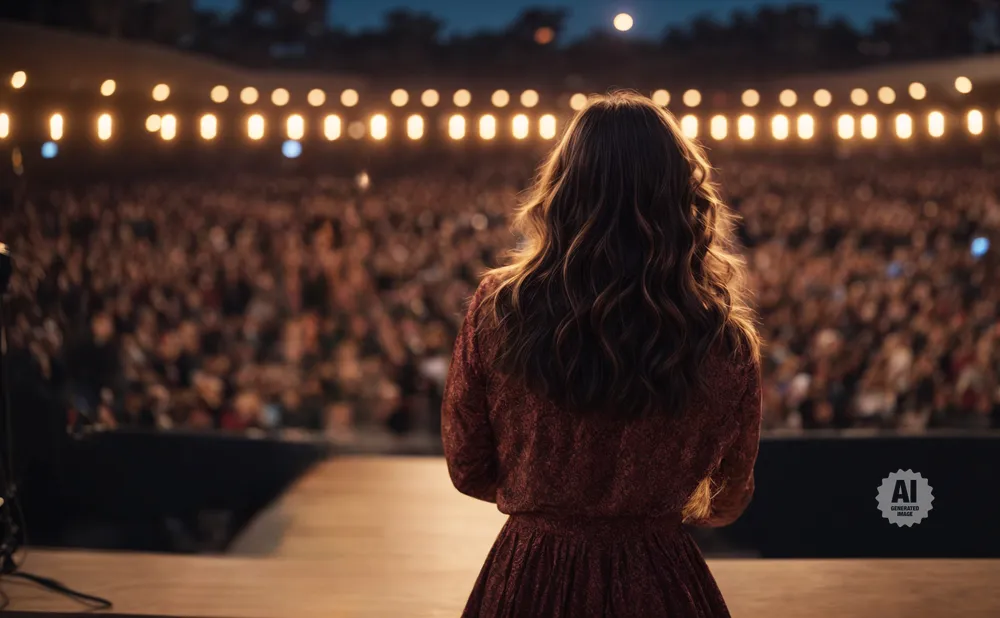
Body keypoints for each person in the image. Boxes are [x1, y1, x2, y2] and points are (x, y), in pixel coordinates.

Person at [442, 91, 762, 617]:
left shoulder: (498, 308)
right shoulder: (723, 341)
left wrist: (547, 499)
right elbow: (729, 498)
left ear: (563, 190)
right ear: (682, 196)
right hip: (660, 583)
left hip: (531, 579)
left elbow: (467, 464)